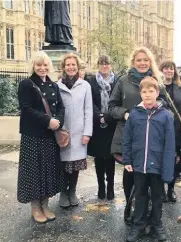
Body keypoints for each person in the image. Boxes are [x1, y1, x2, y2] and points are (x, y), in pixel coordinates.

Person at [108, 47, 161, 223]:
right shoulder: (123, 81)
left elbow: (164, 105)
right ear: (133, 62)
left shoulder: (156, 81)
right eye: (139, 60)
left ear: (150, 62)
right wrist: (124, 114)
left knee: (149, 173)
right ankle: (130, 205)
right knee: (130, 172)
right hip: (128, 134)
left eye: (145, 60)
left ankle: (145, 208)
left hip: (151, 136)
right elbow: (111, 106)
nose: (142, 63)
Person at [123, 76, 175, 242]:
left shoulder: (166, 116)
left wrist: (168, 169)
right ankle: (138, 224)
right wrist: (127, 160)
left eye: (151, 91)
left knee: (158, 197)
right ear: (140, 94)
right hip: (139, 165)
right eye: (144, 91)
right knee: (140, 195)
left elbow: (169, 145)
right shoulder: (134, 114)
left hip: (157, 165)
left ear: (157, 93)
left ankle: (156, 224)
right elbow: (127, 139)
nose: (147, 95)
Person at [17, 51, 65, 223]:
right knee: (34, 172)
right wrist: (48, 121)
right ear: (33, 66)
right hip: (33, 136)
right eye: (39, 65)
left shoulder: (54, 85)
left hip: (50, 136)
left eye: (45, 65)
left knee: (48, 171)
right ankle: (36, 207)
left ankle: (45, 204)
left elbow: (61, 107)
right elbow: (26, 109)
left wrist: (58, 121)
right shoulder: (26, 84)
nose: (42, 68)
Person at [57, 53, 93, 208]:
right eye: (68, 65)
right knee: (63, 165)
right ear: (64, 67)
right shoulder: (57, 86)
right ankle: (63, 193)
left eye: (73, 65)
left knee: (75, 165)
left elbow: (88, 110)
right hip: (63, 132)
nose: (71, 67)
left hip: (79, 132)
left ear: (78, 67)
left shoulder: (85, 85)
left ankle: (72, 191)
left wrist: (87, 133)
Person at [87, 55, 117, 200]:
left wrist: (108, 116)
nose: (104, 66)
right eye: (102, 64)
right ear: (98, 65)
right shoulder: (92, 81)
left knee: (110, 157)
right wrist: (99, 116)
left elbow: (117, 101)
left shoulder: (116, 81)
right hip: (97, 124)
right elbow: (90, 101)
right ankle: (101, 187)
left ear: (111, 65)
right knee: (99, 158)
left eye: (107, 64)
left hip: (112, 124)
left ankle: (110, 187)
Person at [159, 60, 181, 202]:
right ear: (161, 70)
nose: (169, 71)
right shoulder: (158, 87)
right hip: (160, 129)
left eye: (171, 69)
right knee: (160, 159)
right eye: (166, 68)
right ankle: (159, 189)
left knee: (175, 161)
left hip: (177, 130)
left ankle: (171, 189)